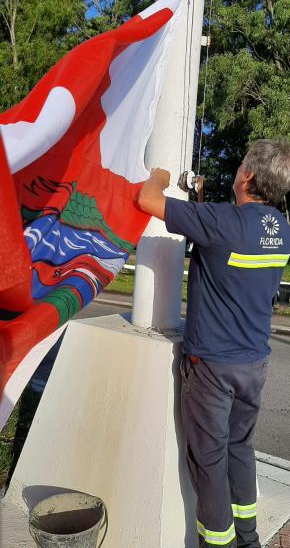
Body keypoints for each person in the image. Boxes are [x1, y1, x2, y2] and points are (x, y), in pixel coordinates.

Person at [137, 139, 290, 548]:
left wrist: (161, 175)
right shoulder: (281, 230)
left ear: (248, 176)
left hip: (213, 371)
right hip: (253, 365)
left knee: (209, 462)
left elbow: (147, 200)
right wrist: (202, 203)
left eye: (240, 164)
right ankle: (249, 538)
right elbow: (231, 255)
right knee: (240, 448)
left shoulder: (221, 222)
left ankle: (217, 543)